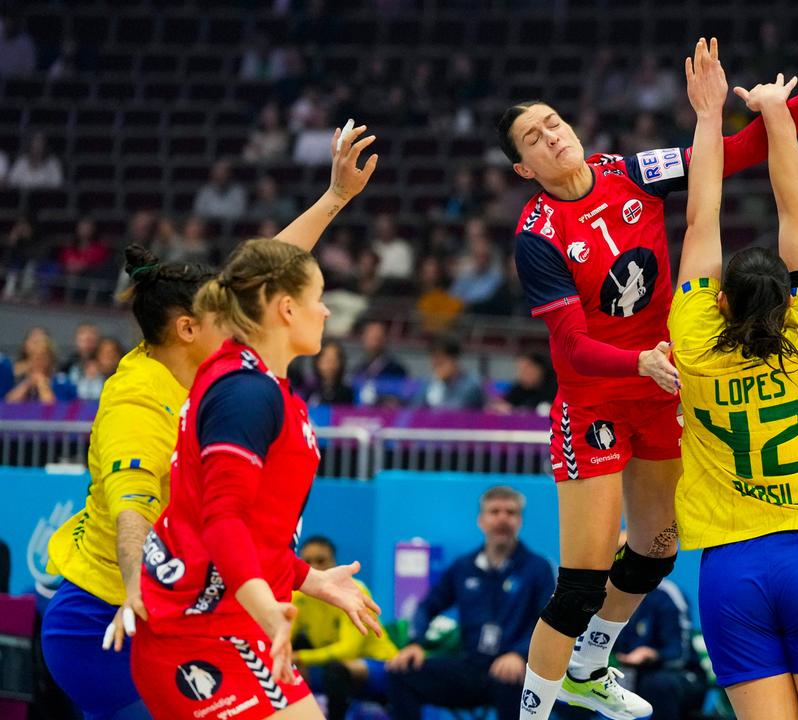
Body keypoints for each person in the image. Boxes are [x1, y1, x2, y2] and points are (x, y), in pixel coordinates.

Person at [499, 35, 798, 719]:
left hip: (665, 384)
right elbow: (572, 348)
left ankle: (589, 664)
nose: (550, 136)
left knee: (657, 549)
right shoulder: (537, 236)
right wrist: (634, 360)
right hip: (597, 398)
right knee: (581, 583)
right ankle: (533, 712)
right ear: (523, 167)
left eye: (552, 121)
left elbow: (734, 154)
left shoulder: (631, 170)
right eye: (533, 137)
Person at [41, 125, 378, 720]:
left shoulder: (211, 358)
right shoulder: (137, 401)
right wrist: (139, 594)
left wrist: (335, 198)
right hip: (111, 618)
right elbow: (130, 512)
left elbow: (267, 275)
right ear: (189, 327)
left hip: (197, 611)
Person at [669, 54, 798, 719]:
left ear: (719, 303)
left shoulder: (696, 343)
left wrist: (708, 116)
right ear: (791, 299)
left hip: (732, 571)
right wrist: (775, 113)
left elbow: (702, 220)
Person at [130, 237, 381, 719]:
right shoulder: (246, 393)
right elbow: (221, 521)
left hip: (234, 623)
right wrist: (272, 612)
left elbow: (251, 531)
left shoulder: (253, 380)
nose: (326, 311)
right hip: (197, 633)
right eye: (318, 297)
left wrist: (308, 578)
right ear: (286, 308)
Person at [385, 486, 555, 720]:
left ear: (520, 521)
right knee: (402, 673)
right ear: (481, 520)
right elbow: (427, 606)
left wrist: (520, 655)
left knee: (515, 682)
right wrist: (415, 643)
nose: (502, 518)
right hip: (472, 667)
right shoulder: (463, 567)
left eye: (511, 512)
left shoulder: (538, 569)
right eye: (494, 512)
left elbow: (548, 623)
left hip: (515, 671)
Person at [292, 536, 398, 720]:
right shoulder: (298, 596)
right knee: (285, 667)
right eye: (307, 562)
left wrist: (300, 656)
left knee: (336, 670)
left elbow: (348, 650)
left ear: (334, 563)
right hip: (329, 664)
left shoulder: (354, 592)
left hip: (377, 664)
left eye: (321, 560)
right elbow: (279, 636)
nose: (315, 567)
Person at [611, 579, 705, 720]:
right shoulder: (612, 593)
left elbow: (679, 655)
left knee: (657, 685)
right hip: (629, 673)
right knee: (577, 682)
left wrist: (651, 654)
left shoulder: (666, 594)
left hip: (678, 674)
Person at [421, 336, 486, 410]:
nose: (436, 369)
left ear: (454, 360)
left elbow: (456, 409)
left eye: (440, 363)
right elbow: (414, 409)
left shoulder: (472, 385)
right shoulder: (429, 383)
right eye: (434, 365)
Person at [492, 351, 557, 415]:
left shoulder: (554, 386)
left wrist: (516, 409)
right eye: (520, 369)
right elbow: (504, 403)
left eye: (526, 368)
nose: (522, 373)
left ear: (539, 368)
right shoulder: (519, 387)